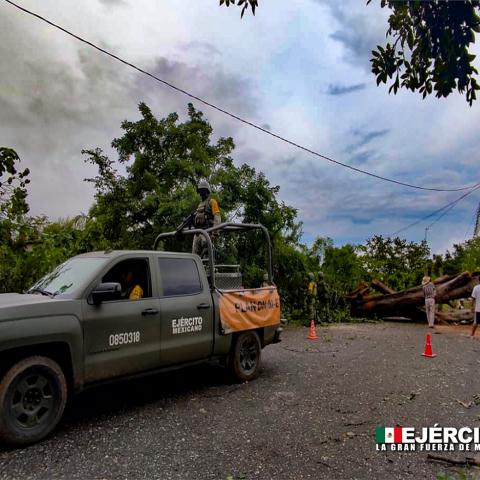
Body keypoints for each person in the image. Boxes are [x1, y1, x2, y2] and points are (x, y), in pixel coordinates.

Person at [192, 179, 221, 257]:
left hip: (207, 232)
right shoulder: (199, 205)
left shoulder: (212, 202)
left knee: (207, 252)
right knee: (194, 256)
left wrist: (214, 233)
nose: (202, 193)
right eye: (201, 191)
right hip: (198, 232)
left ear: (207, 191)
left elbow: (217, 217)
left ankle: (210, 267)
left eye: (204, 190)